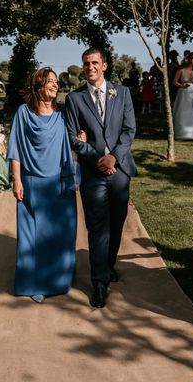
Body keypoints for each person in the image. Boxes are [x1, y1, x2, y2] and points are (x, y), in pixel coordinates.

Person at [65, 47, 136, 308]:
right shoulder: (75, 98)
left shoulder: (123, 93)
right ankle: (99, 283)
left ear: (104, 66)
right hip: (92, 172)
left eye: (94, 62)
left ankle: (107, 266)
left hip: (120, 170)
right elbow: (73, 137)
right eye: (86, 63)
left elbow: (129, 131)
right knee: (97, 228)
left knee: (116, 224)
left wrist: (114, 157)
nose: (90, 67)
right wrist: (98, 158)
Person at [7, 68, 78, 303]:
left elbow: (74, 138)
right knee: (33, 236)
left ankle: (58, 280)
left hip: (60, 182)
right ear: (38, 85)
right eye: (50, 82)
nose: (55, 85)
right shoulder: (23, 113)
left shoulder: (64, 112)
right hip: (32, 183)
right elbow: (15, 148)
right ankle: (33, 283)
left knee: (61, 233)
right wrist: (16, 180)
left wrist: (82, 138)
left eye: (57, 82)